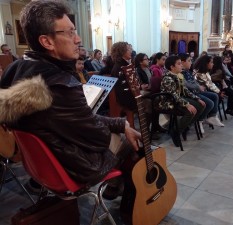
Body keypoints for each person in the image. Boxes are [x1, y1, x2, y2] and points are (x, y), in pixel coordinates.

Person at [0, 0, 140, 198]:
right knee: (130, 144)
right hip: (73, 166)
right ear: (46, 41)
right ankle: (120, 193)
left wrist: (120, 123)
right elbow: (97, 137)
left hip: (40, 164)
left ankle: (115, 187)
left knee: (120, 131)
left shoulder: (14, 69)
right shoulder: (61, 84)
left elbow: (82, 122)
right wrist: (122, 127)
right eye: (70, 32)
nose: (78, 39)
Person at [159, 55, 205, 146]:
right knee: (190, 111)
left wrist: (197, 98)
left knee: (201, 105)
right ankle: (175, 132)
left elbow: (185, 90)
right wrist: (187, 104)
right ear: (172, 67)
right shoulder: (167, 78)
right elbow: (173, 95)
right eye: (179, 64)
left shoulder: (178, 75)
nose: (181, 66)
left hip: (177, 100)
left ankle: (185, 127)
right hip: (169, 102)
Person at [179, 53, 224, 133]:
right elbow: (186, 84)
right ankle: (199, 120)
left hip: (196, 92)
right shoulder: (181, 73)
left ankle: (212, 116)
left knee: (214, 96)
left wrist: (198, 87)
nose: (191, 63)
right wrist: (198, 87)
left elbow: (194, 81)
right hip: (191, 94)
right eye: (189, 61)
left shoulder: (187, 72)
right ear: (182, 63)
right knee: (209, 103)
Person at [110, 41, 137, 111]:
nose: (131, 51)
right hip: (125, 99)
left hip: (130, 95)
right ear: (121, 51)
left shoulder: (125, 64)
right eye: (128, 49)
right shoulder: (120, 67)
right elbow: (123, 90)